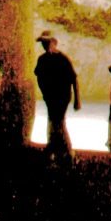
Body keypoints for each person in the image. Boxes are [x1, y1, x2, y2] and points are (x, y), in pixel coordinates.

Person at [34, 30, 80, 159]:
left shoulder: (63, 59)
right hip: (50, 97)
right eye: (43, 43)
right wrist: (44, 92)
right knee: (54, 121)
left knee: (57, 122)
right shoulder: (42, 59)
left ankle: (64, 150)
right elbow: (38, 75)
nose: (45, 45)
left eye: (47, 42)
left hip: (62, 97)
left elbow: (73, 79)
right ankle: (57, 149)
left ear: (54, 42)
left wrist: (77, 99)